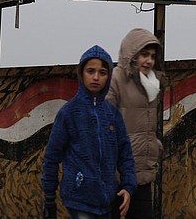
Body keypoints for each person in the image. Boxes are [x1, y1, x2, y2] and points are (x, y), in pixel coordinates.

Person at [42, 45, 137, 219]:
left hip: (109, 199)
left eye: (102, 72)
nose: (96, 77)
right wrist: (49, 197)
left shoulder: (112, 114)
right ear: (81, 74)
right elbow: (52, 157)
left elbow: (126, 155)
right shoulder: (68, 112)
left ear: (108, 76)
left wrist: (128, 187)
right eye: (90, 71)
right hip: (79, 198)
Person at [107, 28, 163, 219]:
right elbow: (106, 123)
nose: (149, 61)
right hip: (118, 173)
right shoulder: (115, 79)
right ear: (131, 54)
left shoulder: (152, 84)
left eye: (153, 56)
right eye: (144, 54)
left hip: (143, 171)